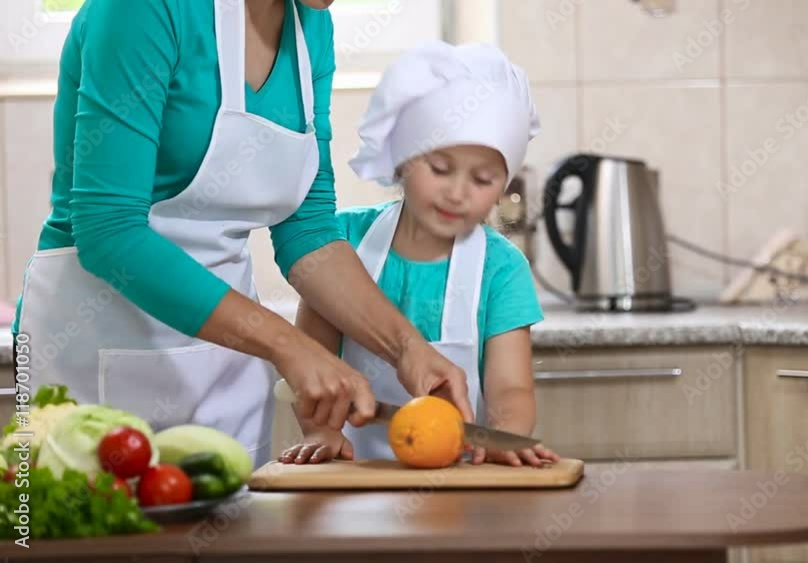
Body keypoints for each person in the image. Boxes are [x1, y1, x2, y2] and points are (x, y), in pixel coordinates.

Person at [12, 0, 474, 470]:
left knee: (232, 538)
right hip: (94, 347)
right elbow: (109, 231)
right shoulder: (144, 9)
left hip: (226, 362)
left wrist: (408, 348)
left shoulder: (310, 24)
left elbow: (308, 228)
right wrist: (288, 345)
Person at [277, 41, 561, 467]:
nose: (457, 191)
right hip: (354, 481)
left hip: (462, 485)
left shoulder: (502, 269)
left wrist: (506, 436)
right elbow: (315, 364)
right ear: (402, 160)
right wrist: (322, 431)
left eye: (482, 179)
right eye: (441, 169)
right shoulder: (342, 241)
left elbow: (512, 389)